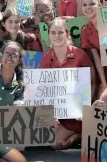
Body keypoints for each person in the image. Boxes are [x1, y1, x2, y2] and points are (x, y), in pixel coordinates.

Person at [39, 18, 95, 149]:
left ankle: (82, 133)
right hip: (58, 111)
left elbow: (93, 82)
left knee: (56, 144)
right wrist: (51, 115)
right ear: (49, 36)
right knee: (43, 138)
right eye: (53, 33)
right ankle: (81, 133)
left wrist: (85, 107)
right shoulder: (47, 58)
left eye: (60, 32)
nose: (57, 36)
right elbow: (43, 88)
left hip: (77, 112)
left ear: (67, 34)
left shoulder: (79, 54)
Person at [80, 0, 107, 95]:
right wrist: (104, 83)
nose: (88, 8)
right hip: (104, 69)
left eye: (92, 4)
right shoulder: (85, 31)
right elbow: (97, 59)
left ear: (100, 5)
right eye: (84, 5)